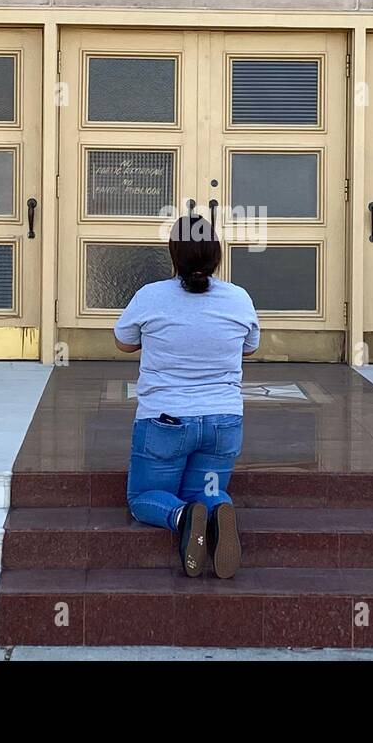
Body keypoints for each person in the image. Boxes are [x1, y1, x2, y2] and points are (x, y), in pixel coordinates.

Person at [113, 214, 259, 579]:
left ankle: (180, 518)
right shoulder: (239, 298)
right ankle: (217, 510)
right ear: (216, 256)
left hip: (166, 423)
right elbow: (250, 348)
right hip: (222, 424)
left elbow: (123, 342)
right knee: (207, 490)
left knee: (142, 499)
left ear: (174, 255)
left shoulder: (151, 296)